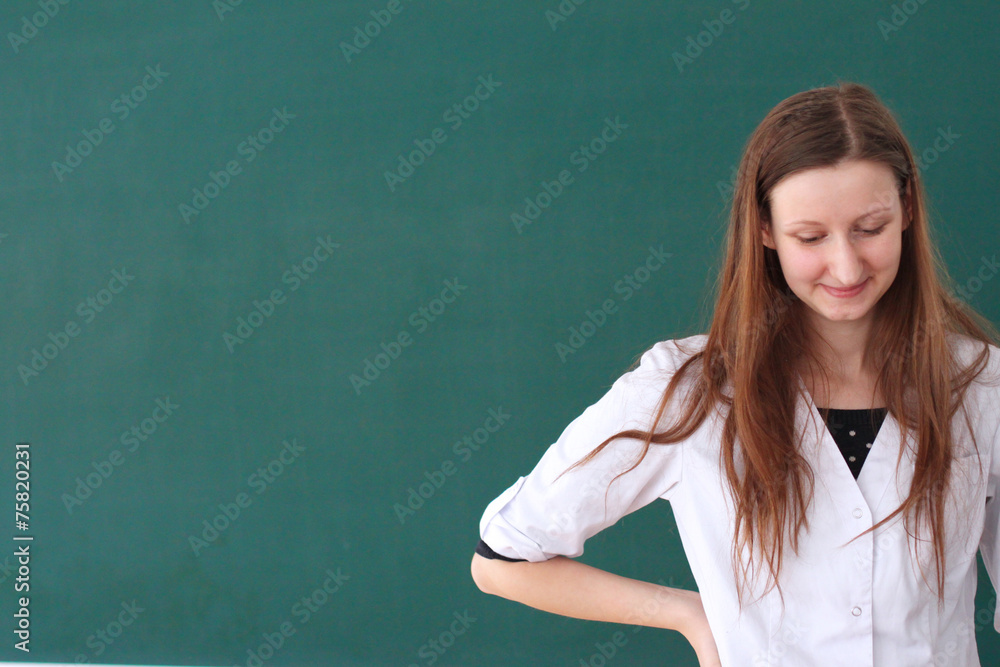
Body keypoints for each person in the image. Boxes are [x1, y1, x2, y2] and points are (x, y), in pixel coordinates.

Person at [469, 81, 1000, 666]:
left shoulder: (983, 387)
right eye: (811, 237)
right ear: (765, 230)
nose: (846, 265)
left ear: (908, 210)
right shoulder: (687, 389)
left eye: (870, 228)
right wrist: (686, 613)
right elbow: (504, 559)